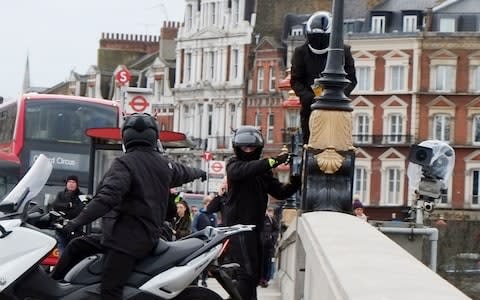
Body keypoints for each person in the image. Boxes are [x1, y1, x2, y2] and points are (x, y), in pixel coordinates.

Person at [50, 113, 207, 300]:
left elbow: (106, 198)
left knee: (110, 291)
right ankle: (53, 288)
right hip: (135, 236)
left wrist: (75, 222)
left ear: (125, 137)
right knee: (77, 246)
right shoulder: (165, 164)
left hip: (126, 242)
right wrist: (201, 172)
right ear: (154, 137)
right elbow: (185, 172)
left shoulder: (124, 164)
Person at [223, 125, 301, 300]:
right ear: (237, 148)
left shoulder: (263, 171)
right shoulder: (234, 165)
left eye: (252, 147)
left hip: (255, 228)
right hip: (238, 228)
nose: (249, 150)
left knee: (255, 275)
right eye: (245, 147)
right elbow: (245, 171)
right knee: (247, 273)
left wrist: (295, 182)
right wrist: (275, 160)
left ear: (258, 148)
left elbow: (279, 192)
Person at [290, 11, 357, 145]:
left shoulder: (343, 51)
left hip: (337, 107)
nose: (317, 42)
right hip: (310, 107)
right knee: (310, 145)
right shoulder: (300, 52)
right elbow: (296, 80)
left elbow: (352, 80)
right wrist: (308, 96)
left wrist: (337, 96)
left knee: (337, 145)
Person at [51, 175, 85, 253]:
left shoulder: (82, 196)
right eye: (69, 182)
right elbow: (55, 205)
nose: (71, 184)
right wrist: (68, 205)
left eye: (73, 182)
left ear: (77, 184)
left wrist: (66, 209)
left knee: (73, 253)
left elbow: (79, 211)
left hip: (75, 230)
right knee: (62, 252)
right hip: (61, 229)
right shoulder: (60, 194)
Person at [192, 195, 217, 287]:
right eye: (208, 203)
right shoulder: (198, 214)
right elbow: (193, 227)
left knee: (207, 262)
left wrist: (213, 238)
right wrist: (200, 236)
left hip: (209, 242)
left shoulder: (213, 215)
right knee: (198, 261)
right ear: (205, 204)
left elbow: (215, 228)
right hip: (200, 241)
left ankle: (204, 279)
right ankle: (196, 279)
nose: (210, 205)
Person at [259, 207, 279, 288]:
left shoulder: (270, 219)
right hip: (258, 245)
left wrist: (272, 239)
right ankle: (259, 278)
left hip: (268, 246)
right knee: (258, 262)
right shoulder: (257, 219)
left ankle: (265, 279)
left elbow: (276, 229)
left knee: (267, 263)